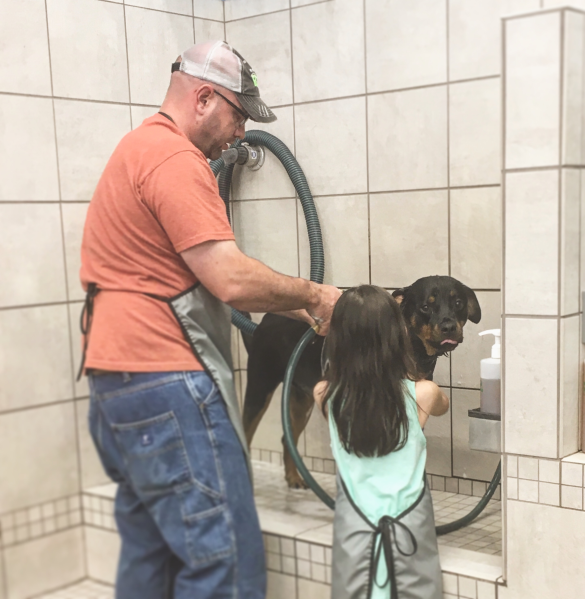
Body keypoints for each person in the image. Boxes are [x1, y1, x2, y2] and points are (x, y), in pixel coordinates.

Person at [79, 41, 341, 599]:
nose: (241, 134)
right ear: (203, 98)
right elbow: (231, 280)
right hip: (166, 387)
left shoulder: (136, 149)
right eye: (239, 115)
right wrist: (318, 294)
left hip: (116, 387)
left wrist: (304, 307)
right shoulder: (176, 160)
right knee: (224, 560)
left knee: (150, 555)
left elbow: (200, 275)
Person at [313, 285, 449, 599]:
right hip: (409, 534)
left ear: (339, 338)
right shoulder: (423, 393)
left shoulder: (325, 394)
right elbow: (442, 405)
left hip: (354, 536)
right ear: (398, 335)